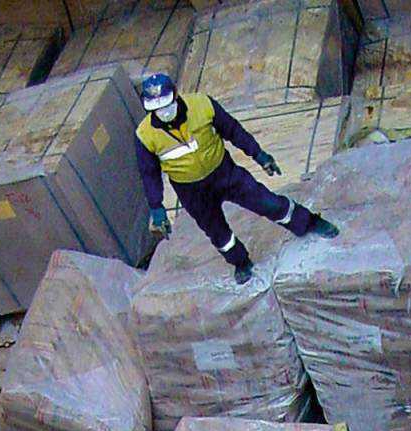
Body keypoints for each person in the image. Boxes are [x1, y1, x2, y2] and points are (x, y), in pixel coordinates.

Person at [134, 71, 338, 284]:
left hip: (225, 173)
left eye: (166, 105)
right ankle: (241, 262)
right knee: (218, 233)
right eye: (157, 109)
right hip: (191, 191)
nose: (163, 112)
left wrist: (259, 155)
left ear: (176, 95)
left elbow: (233, 130)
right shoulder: (145, 135)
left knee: (267, 202)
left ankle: (308, 223)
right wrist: (156, 207)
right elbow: (149, 173)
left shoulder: (202, 105)